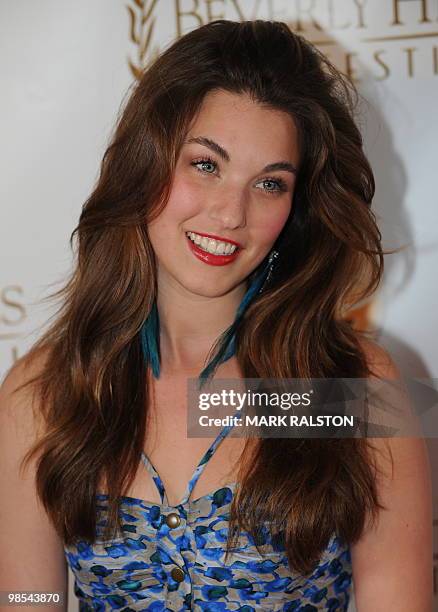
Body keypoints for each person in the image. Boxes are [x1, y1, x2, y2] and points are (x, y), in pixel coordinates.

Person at [0, 19, 432, 612]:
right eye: (206, 164)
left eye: (270, 183)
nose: (231, 213)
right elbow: (25, 599)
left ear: (295, 207)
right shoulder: (49, 391)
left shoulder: (346, 388)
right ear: (146, 163)